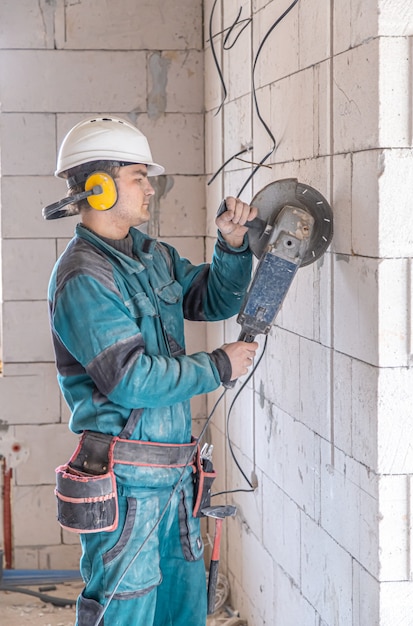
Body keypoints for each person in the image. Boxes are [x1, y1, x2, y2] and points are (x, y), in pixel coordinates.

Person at [45, 116, 258, 626]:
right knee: (128, 612)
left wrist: (231, 247)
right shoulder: (82, 277)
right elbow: (131, 379)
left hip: (175, 478)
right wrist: (218, 365)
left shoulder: (152, 254)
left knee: (181, 612)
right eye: (138, 175)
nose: (150, 187)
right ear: (97, 188)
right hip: (127, 486)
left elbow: (211, 299)